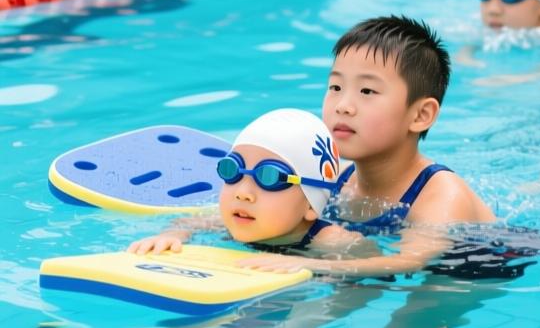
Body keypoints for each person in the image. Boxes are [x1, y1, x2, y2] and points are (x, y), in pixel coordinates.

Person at [239, 15, 497, 278]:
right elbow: (273, 210)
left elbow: (410, 261)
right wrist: (199, 223)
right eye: (336, 86)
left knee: (420, 310)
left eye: (367, 91)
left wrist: (310, 265)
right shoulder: (336, 175)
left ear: (420, 115)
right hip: (381, 252)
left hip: (476, 265)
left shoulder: (440, 194)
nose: (343, 105)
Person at [128, 107, 370, 256]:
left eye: (270, 177)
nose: (243, 193)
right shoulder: (229, 218)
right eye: (232, 170)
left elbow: (375, 267)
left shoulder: (333, 241)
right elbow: (187, 222)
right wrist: (173, 235)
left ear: (310, 206)